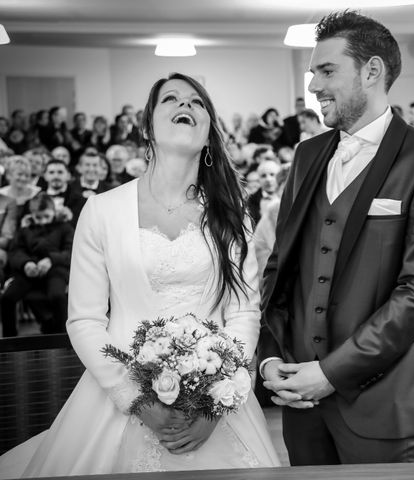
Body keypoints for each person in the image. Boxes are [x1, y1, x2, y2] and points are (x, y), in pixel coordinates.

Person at [0, 72, 279, 477]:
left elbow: (244, 314)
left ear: (208, 134)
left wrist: (219, 402)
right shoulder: (102, 210)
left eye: (197, 102)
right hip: (121, 395)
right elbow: (85, 319)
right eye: (171, 99)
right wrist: (135, 398)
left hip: (216, 404)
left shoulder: (231, 215)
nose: (186, 105)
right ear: (147, 127)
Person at [258, 11, 414, 466]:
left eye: (327, 71)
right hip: (300, 402)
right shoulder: (307, 154)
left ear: (372, 71)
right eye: (313, 72)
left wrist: (331, 373)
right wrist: (271, 358)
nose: (313, 86)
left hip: (381, 405)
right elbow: (280, 269)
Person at [1, 192, 73, 337]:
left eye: (47, 216)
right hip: (29, 271)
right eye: (38, 217)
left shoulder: (64, 228)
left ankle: (62, 337)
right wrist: (26, 263)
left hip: (56, 270)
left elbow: (71, 251)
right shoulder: (25, 230)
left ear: (54, 212)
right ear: (31, 215)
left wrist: (51, 260)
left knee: (57, 296)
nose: (42, 221)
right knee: (7, 298)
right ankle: (10, 340)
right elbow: (16, 251)